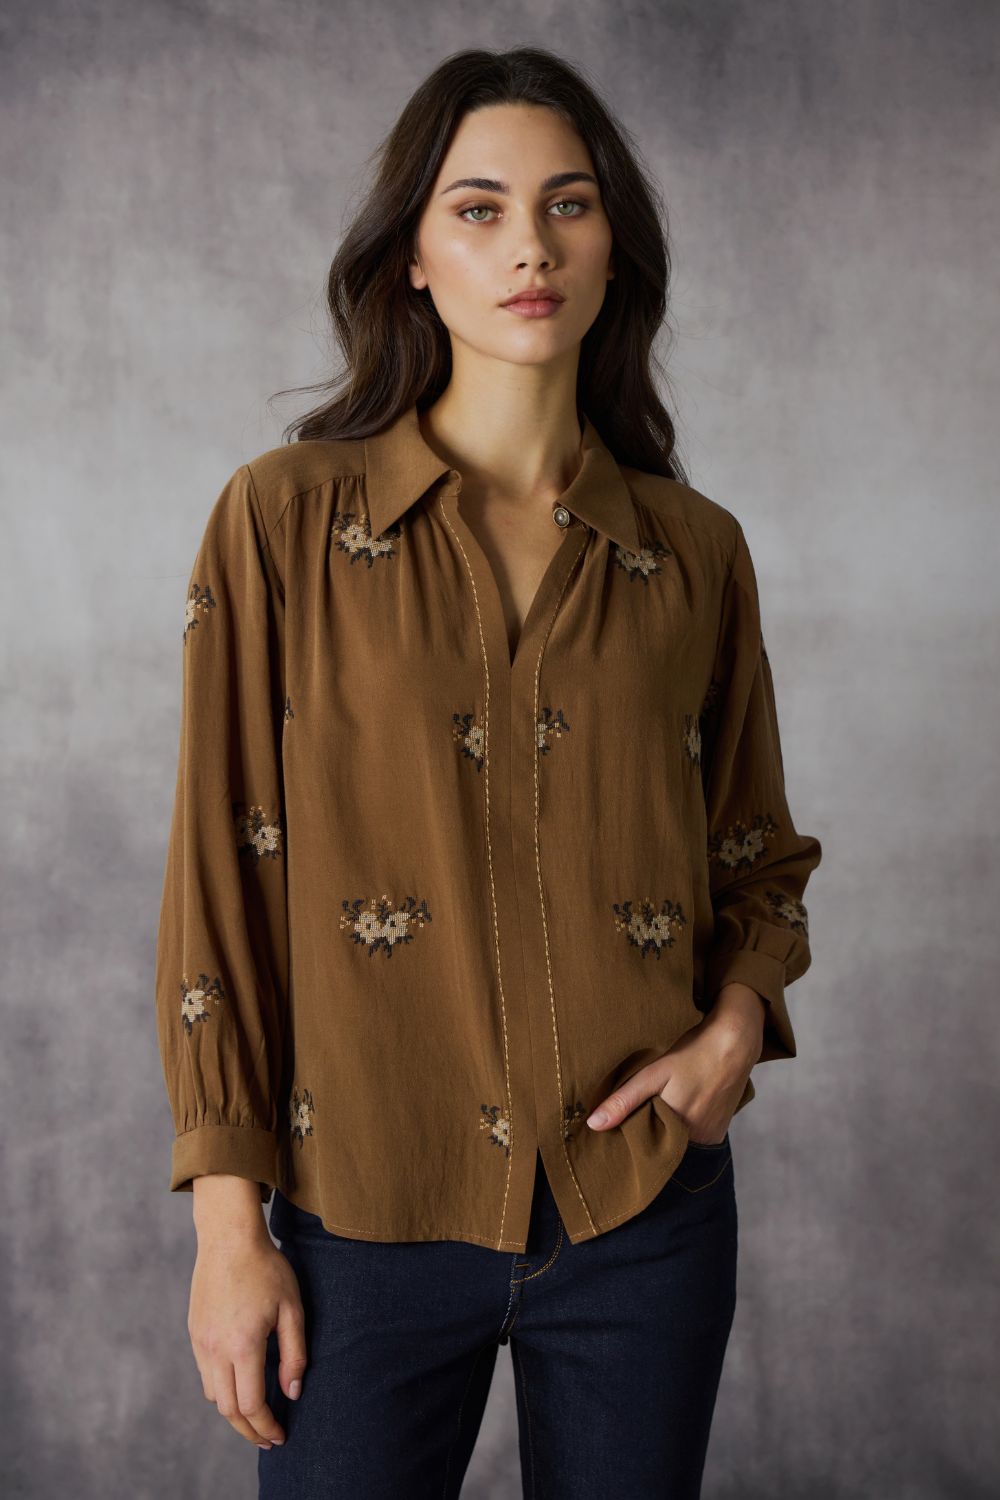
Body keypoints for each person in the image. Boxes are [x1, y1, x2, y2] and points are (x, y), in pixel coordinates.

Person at [154, 45, 822, 1499]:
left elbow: (757, 857)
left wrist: (732, 1033)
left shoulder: (693, 552)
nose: (531, 245)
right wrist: (226, 1231)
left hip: (643, 1217)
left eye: (568, 204)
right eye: (479, 208)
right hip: (358, 1219)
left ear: (612, 248)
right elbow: (220, 882)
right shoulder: (281, 523)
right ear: (412, 256)